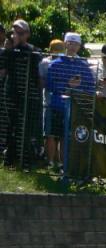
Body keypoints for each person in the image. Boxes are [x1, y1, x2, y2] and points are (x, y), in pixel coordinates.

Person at [44, 32, 94, 167]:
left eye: (76, 44)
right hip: (56, 105)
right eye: (70, 43)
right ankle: (50, 163)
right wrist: (67, 86)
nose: (73, 47)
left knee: (66, 137)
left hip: (74, 108)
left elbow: (90, 87)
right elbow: (49, 84)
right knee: (51, 134)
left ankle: (63, 164)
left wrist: (76, 90)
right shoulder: (55, 64)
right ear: (65, 44)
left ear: (79, 47)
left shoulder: (83, 66)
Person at [1, 19, 42, 167]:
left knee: (25, 127)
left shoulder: (34, 51)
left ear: (27, 34)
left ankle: (25, 159)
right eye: (14, 32)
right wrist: (7, 51)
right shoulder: (8, 50)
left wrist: (38, 94)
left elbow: (38, 75)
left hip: (28, 95)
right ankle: (9, 158)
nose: (16, 35)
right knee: (12, 125)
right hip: (11, 94)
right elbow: (3, 71)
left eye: (19, 33)